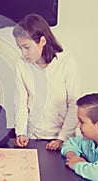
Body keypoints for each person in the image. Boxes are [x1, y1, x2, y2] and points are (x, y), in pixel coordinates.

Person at [13, 13, 80, 150]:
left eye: (27, 47)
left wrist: (62, 138)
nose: (24, 54)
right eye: (20, 48)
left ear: (42, 41)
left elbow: (74, 103)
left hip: (62, 139)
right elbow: (20, 102)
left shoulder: (66, 63)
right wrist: (21, 133)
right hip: (33, 137)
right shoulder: (21, 65)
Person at [61, 93, 98, 180]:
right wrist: (71, 154)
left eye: (82, 122)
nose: (78, 125)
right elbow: (70, 143)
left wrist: (76, 164)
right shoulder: (89, 140)